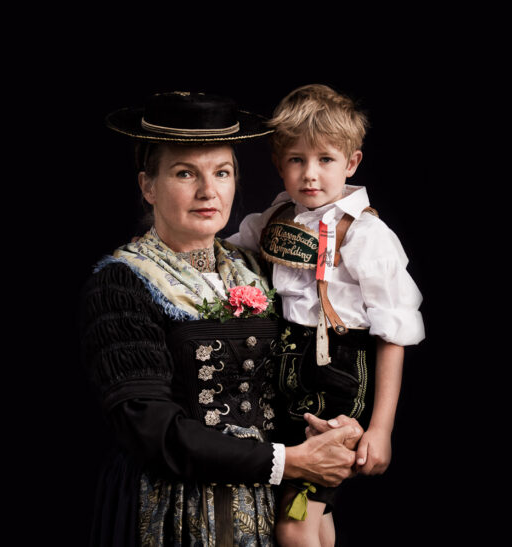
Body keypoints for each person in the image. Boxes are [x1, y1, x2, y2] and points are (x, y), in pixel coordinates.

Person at [79, 91, 364, 546]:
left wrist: (332, 427)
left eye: (222, 173)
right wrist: (288, 462)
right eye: (185, 173)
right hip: (172, 511)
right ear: (148, 185)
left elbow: (292, 378)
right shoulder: (122, 281)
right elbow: (150, 428)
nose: (208, 191)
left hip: (266, 512)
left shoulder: (258, 265)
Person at [226, 84, 426, 547]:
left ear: (351, 163)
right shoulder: (274, 219)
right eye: (296, 160)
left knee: (292, 520)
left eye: (325, 160)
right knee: (316, 514)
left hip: (339, 378)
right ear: (279, 164)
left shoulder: (367, 235)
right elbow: (226, 254)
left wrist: (380, 428)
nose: (310, 174)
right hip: (288, 373)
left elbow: (393, 333)